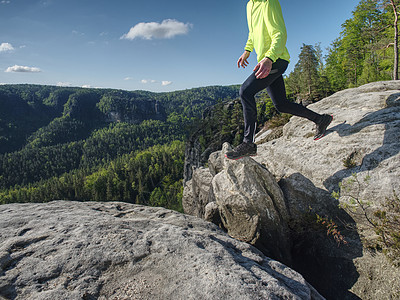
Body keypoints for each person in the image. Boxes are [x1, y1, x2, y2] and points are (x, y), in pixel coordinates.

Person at [225, 0, 332, 160]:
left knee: (246, 91)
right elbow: (253, 32)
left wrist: (269, 57)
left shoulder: (269, 2)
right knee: (281, 104)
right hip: (267, 61)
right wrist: (247, 50)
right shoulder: (250, 5)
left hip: (276, 59)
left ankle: (248, 143)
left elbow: (280, 33)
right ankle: (321, 119)